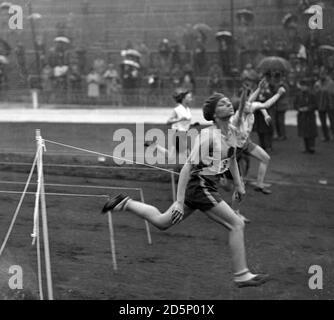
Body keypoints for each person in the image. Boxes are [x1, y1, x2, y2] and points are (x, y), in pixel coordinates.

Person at [102, 92, 269, 288]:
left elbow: (231, 158)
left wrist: (239, 185)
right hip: (199, 186)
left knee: (163, 222)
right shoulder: (208, 136)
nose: (228, 105)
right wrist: (180, 202)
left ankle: (125, 203)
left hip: (205, 187)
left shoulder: (231, 132)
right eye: (222, 104)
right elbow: (187, 169)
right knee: (236, 224)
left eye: (227, 102)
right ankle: (241, 274)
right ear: (214, 114)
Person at [144, 88, 193, 163]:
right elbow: (168, 122)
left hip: (183, 134)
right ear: (183, 99)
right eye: (189, 97)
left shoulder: (188, 109)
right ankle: (191, 173)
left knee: (171, 158)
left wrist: (192, 124)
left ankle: (154, 145)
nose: (191, 99)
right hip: (178, 135)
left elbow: (185, 122)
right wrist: (179, 120)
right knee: (189, 157)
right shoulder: (177, 109)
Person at [295, 78, 317, 153]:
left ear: (307, 86)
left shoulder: (312, 94)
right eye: (302, 86)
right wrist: (299, 108)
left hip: (310, 116)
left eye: (304, 86)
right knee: (303, 132)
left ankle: (311, 147)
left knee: (311, 133)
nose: (303, 87)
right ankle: (306, 147)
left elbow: (315, 105)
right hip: (302, 116)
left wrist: (308, 108)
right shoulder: (298, 95)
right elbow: (295, 104)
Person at [314, 66, 334, 142]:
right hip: (320, 106)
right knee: (323, 122)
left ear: (326, 73)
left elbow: (332, 93)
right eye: (320, 73)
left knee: (332, 122)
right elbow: (315, 94)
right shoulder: (317, 83)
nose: (322, 74)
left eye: (323, 73)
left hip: (330, 105)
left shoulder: (331, 83)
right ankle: (326, 136)